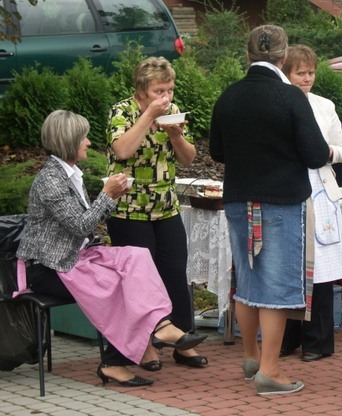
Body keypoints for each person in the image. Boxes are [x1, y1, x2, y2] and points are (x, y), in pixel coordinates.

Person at [15, 110, 207, 386]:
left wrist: (112, 197)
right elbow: (80, 226)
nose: (89, 142)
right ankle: (114, 362)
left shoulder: (69, 174)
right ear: (68, 141)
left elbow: (84, 225)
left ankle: (161, 325)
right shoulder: (51, 180)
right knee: (118, 285)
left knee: (137, 256)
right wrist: (108, 196)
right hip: (48, 268)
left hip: (74, 258)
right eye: (83, 138)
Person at [209, 25, 330, 395]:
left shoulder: (229, 96)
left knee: (247, 281)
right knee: (276, 287)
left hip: (238, 198)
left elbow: (217, 152)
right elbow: (316, 154)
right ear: (284, 56)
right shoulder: (290, 96)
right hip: (281, 200)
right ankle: (271, 371)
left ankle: (252, 355)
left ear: (248, 55)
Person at [105, 56, 206, 371]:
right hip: (129, 209)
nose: (166, 97)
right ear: (141, 90)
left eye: (170, 90)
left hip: (165, 206)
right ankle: (146, 345)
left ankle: (182, 340)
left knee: (175, 271)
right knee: (139, 279)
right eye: (158, 91)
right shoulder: (122, 111)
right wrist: (148, 116)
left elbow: (188, 158)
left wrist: (176, 135)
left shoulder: (173, 111)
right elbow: (122, 150)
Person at [279, 45, 342, 362]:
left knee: (321, 266)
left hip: (320, 188)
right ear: (286, 74)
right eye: (300, 73)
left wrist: (328, 153)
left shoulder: (324, 105)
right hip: (288, 188)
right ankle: (287, 337)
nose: (307, 79)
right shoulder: (278, 103)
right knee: (288, 264)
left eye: (310, 73)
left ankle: (318, 341)